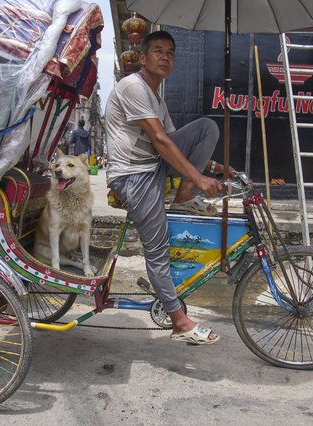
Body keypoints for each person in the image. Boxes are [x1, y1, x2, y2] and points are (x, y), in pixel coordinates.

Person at [105, 30, 235, 345]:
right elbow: (161, 141)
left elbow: (178, 145)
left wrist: (217, 168)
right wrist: (200, 178)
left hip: (152, 167)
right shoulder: (134, 87)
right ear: (142, 57)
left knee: (206, 127)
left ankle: (184, 195)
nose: (166, 57)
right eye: (158, 51)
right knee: (157, 247)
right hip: (132, 176)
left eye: (171, 53)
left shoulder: (156, 95)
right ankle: (179, 321)